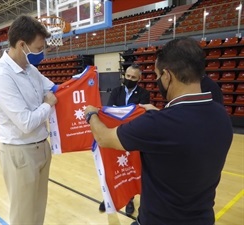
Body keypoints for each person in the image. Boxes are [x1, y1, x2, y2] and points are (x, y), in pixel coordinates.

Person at [85, 37, 233, 225]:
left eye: (157, 75)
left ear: (167, 75)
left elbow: (104, 138)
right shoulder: (221, 116)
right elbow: (183, 131)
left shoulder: (158, 124)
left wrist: (91, 114)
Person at [0, 15, 57, 225]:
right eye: (38, 48)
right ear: (21, 45)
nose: (41, 53)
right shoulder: (0, 76)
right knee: (23, 215)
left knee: (37, 210)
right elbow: (25, 122)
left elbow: (53, 89)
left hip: (41, 148)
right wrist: (48, 104)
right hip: (20, 153)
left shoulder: (30, 69)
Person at [99, 64, 150, 216]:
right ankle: (109, 197)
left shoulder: (144, 94)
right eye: (128, 76)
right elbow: (109, 111)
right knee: (111, 168)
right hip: (115, 135)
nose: (129, 79)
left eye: (133, 77)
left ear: (139, 79)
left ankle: (129, 199)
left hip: (133, 137)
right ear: (124, 75)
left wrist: (121, 114)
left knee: (129, 168)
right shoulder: (116, 91)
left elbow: (141, 116)